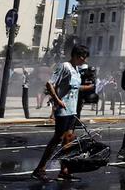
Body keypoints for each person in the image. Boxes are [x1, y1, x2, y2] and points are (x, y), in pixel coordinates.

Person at [32, 44, 94, 182]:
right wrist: (57, 101)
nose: (85, 61)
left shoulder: (76, 70)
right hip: (63, 109)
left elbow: (75, 88)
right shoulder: (64, 66)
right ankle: (40, 169)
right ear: (78, 56)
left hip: (72, 110)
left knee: (69, 139)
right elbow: (49, 83)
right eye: (84, 58)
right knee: (58, 138)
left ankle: (64, 170)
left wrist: (90, 87)